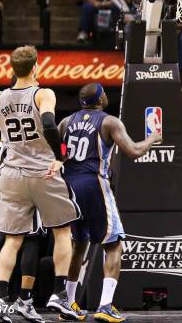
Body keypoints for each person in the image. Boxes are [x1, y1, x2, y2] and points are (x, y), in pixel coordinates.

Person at [0, 46, 81, 322]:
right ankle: (59, 294)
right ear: (35, 67)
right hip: (42, 172)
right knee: (62, 232)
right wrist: (59, 155)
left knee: (12, 240)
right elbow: (49, 122)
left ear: (12, 69)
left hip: (11, 174)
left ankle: (0, 299)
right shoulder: (43, 93)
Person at [59, 83, 161, 322]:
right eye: (103, 92)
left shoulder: (65, 122)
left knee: (79, 246)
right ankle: (105, 305)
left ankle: (69, 304)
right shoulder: (109, 121)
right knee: (114, 245)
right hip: (94, 183)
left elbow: (60, 152)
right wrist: (152, 139)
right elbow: (134, 151)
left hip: (69, 186)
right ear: (99, 98)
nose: (106, 94)